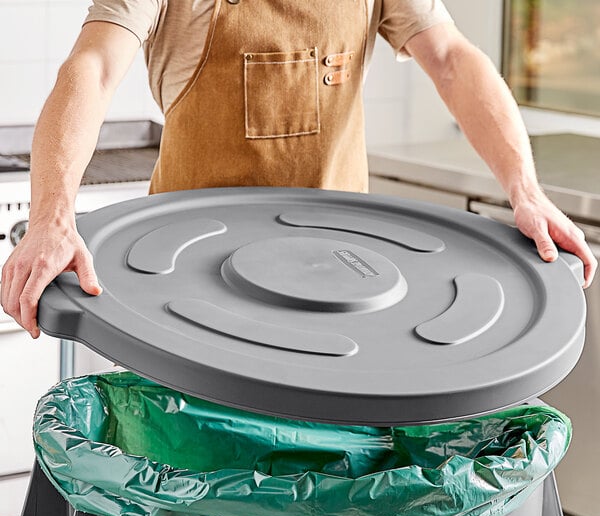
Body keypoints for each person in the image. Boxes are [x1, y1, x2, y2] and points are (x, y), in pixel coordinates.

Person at [1, 0, 596, 338]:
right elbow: (93, 67)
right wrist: (53, 213)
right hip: (185, 296)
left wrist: (525, 187)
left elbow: (451, 58)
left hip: (345, 286)